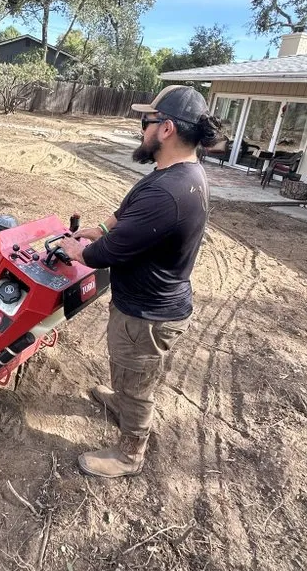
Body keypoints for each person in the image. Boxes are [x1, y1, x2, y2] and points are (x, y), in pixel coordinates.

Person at [57, 85, 221, 479]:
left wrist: (76, 249)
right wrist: (96, 229)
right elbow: (125, 215)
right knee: (128, 369)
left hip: (149, 314)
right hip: (146, 303)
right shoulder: (174, 174)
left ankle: (130, 453)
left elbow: (105, 255)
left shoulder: (170, 192)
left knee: (138, 383)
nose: (139, 128)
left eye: (144, 121)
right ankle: (121, 398)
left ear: (165, 129)